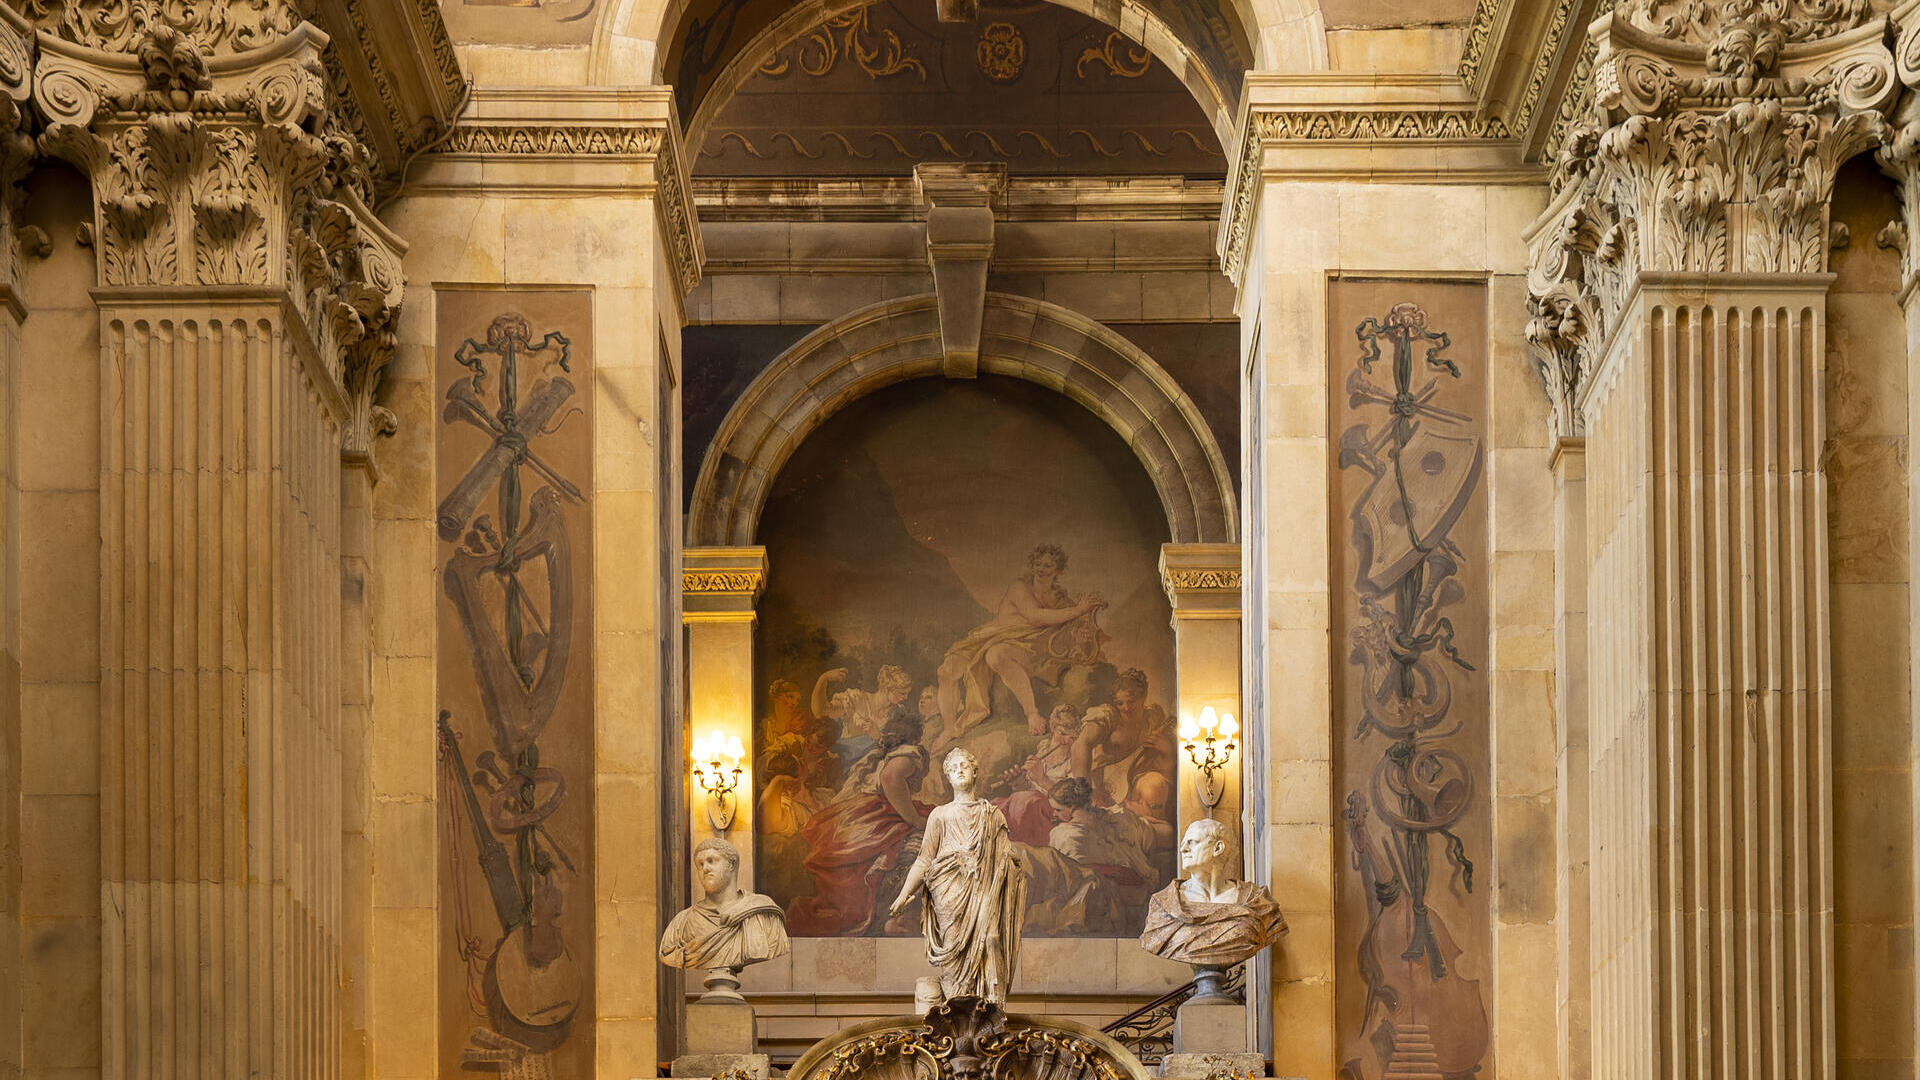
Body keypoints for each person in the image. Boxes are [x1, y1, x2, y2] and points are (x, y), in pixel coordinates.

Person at [889, 748, 1027, 1002]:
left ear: (975, 772)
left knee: (992, 937)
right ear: (948, 779)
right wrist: (904, 893)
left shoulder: (992, 814)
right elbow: (924, 858)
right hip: (948, 890)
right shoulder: (940, 815)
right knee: (954, 949)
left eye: (964, 766)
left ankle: (991, 1005)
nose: (959, 771)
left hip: (984, 885)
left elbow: (1006, 853)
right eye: (953, 769)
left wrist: (1012, 861)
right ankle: (955, 1005)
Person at [936, 544, 1105, 738]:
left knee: (996, 655)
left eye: (1048, 565)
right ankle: (949, 729)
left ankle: (1032, 714)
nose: (1041, 569)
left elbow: (1069, 634)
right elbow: (1034, 616)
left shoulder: (1061, 601)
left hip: (1029, 647)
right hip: (990, 636)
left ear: (1058, 570)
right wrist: (1078, 610)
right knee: (945, 671)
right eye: (1038, 564)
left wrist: (1080, 631)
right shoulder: (1020, 587)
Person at [785, 711, 930, 936]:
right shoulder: (907, 754)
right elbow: (890, 778)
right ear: (914, 737)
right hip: (875, 812)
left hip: (855, 810)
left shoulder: (881, 754)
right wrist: (914, 819)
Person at [1139, 819, 1287, 970]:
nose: (1183, 849)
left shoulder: (1257, 901)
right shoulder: (1163, 906)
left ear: (1218, 848)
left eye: (1192, 842)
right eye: (1183, 843)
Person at [659, 838, 790, 981]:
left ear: (731, 864)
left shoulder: (763, 914)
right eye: (700, 864)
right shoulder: (682, 923)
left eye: (711, 861)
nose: (705, 868)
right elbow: (669, 954)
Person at [815, 664, 914, 764]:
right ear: (887, 689)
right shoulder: (856, 699)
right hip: (844, 763)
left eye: (907, 694)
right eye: (902, 693)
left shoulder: (899, 713)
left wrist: (878, 737)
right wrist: (823, 679)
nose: (906, 697)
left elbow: (902, 748)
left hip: (872, 768)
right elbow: (821, 712)